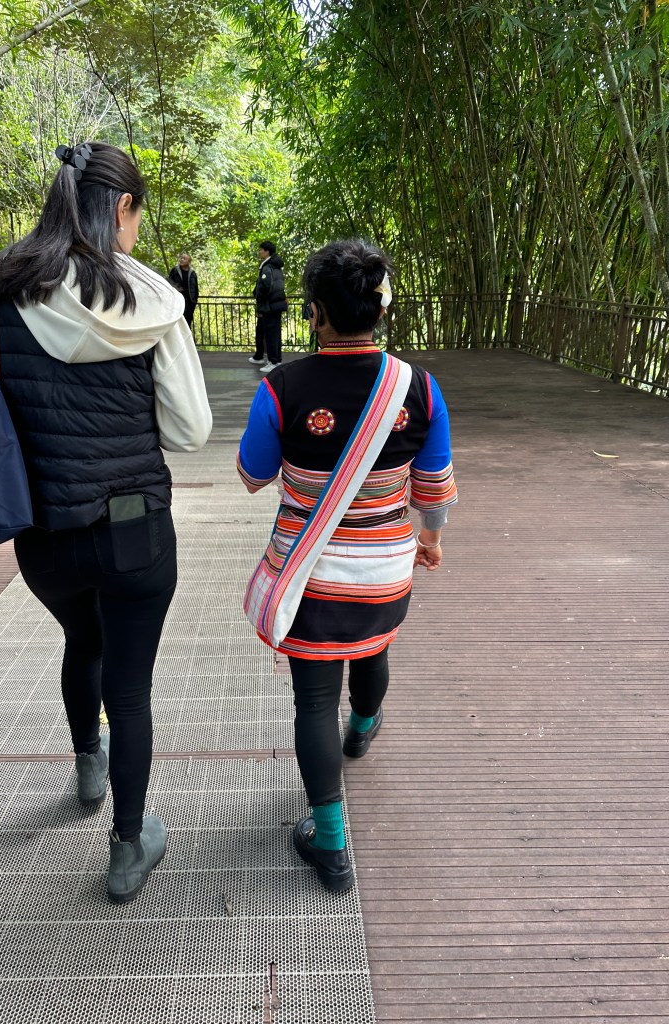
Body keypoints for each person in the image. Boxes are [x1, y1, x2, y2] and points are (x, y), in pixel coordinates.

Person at [0, 141, 212, 904]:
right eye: (136, 218)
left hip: (45, 531)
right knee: (131, 685)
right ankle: (128, 847)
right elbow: (191, 429)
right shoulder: (153, 300)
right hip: (136, 530)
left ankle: (87, 766)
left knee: (80, 638)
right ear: (121, 208)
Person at [237, 240, 457, 892]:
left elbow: (253, 475)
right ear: (380, 309)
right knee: (371, 646)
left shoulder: (283, 388)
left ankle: (329, 845)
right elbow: (434, 488)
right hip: (386, 570)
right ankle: (363, 728)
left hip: (308, 576)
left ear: (314, 313)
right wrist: (433, 541)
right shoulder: (418, 388)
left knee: (312, 700)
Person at [250, 240, 287, 373]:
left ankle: (273, 361)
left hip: (270, 306)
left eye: (261, 250)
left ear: (267, 251)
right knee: (275, 333)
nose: (260, 252)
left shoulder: (267, 268)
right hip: (276, 305)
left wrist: (259, 298)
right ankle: (277, 359)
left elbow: (265, 286)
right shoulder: (276, 266)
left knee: (271, 333)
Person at [168, 252, 199, 327]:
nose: (181, 260)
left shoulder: (192, 273)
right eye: (181, 258)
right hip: (177, 301)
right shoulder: (175, 271)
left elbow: (196, 289)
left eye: (184, 259)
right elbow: (169, 284)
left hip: (189, 303)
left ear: (188, 262)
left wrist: (194, 301)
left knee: (187, 324)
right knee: (177, 324)